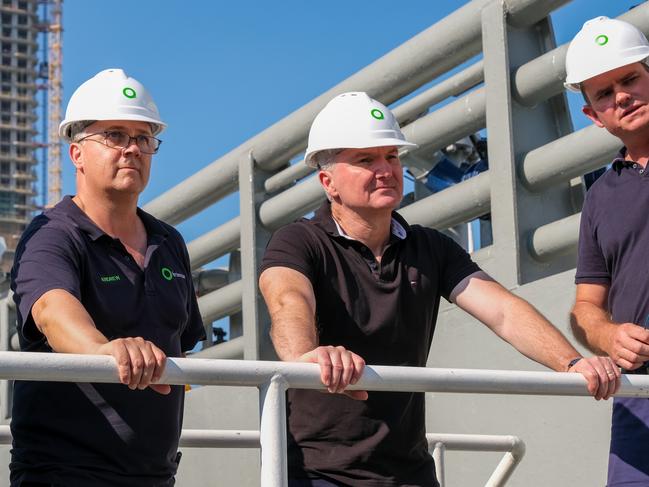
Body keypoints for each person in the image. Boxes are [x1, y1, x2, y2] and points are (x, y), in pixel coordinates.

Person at [259, 91, 619, 487]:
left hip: (410, 472)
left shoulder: (430, 247)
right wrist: (306, 357)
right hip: (319, 473)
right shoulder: (298, 241)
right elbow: (287, 300)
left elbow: (503, 311)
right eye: (366, 160)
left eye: (392, 157)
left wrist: (571, 363)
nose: (386, 169)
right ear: (328, 182)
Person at [9, 68, 205, 487]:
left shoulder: (169, 241)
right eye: (115, 135)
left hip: (156, 476)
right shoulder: (53, 235)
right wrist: (105, 349)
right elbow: (50, 311)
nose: (132, 149)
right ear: (76, 153)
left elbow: (180, 348)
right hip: (63, 474)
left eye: (143, 138)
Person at [566, 16, 649, 487]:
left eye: (630, 78)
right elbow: (585, 308)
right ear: (593, 116)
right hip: (639, 400)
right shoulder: (600, 195)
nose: (621, 95)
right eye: (603, 93)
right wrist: (608, 336)